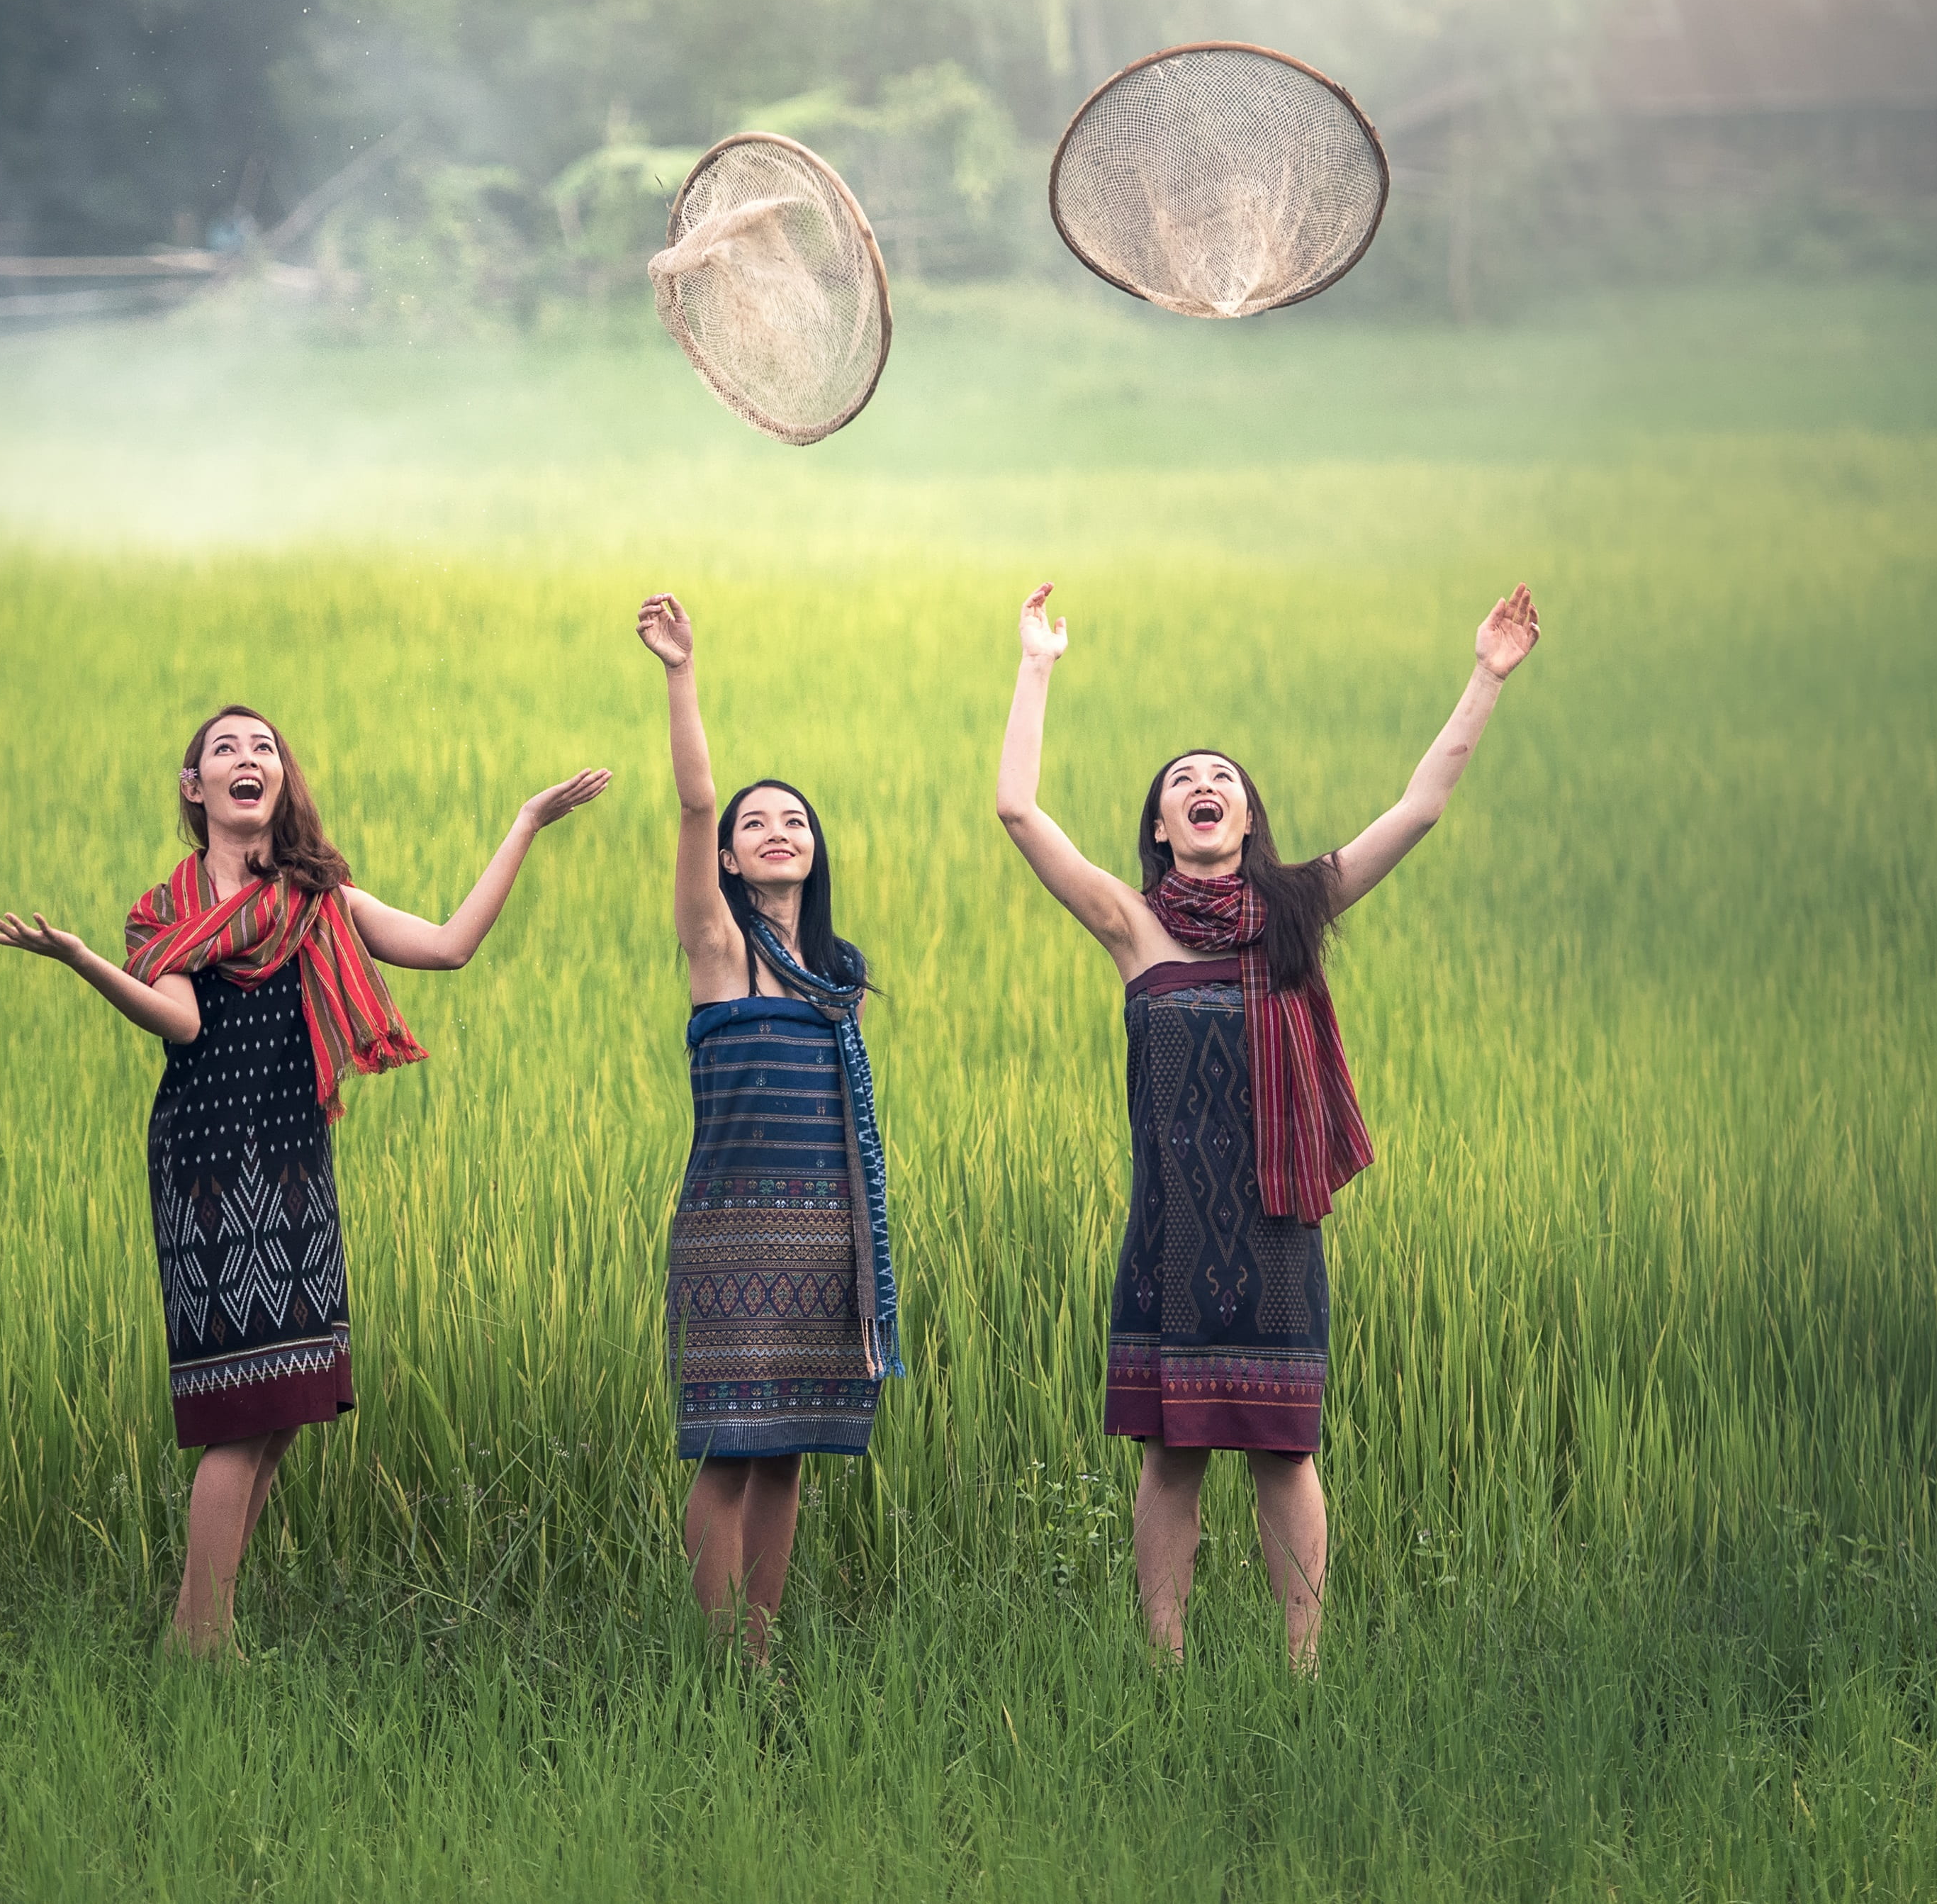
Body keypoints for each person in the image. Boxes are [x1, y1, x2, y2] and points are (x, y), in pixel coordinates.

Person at [0, 705, 610, 1658]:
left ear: (282, 779)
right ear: (196, 790)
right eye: (224, 750)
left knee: (285, 1408)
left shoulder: (322, 897)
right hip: (208, 1160)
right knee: (243, 1407)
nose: (247, 759)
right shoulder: (168, 910)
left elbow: (448, 946)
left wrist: (523, 825)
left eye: (263, 747)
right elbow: (180, 1022)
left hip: (292, 1157)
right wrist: (84, 962)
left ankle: (203, 1633)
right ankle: (200, 1642)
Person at [993, 580, 1540, 1666]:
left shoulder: (1299, 908)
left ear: (1248, 820)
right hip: (1171, 1234)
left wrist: (1484, 676)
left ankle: (1301, 1668)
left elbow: (1418, 809)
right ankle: (1165, 1664)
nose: (1205, 788)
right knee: (1172, 1456)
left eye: (1224, 782)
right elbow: (1018, 811)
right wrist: (1037, 663)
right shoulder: (1132, 927)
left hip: (1278, 1232)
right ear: (1161, 826)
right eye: (1184, 783)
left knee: (1285, 1453)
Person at [635, 593, 905, 1662]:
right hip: (733, 1231)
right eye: (759, 825)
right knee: (729, 1451)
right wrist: (681, 672)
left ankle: (762, 1647)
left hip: (824, 1238)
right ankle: (715, 1655)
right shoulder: (717, 949)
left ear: (815, 851)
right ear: (734, 865)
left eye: (795, 820)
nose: (775, 831)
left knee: (790, 1450)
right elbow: (696, 803)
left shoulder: (836, 982)